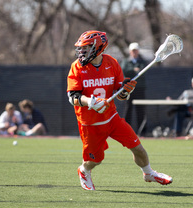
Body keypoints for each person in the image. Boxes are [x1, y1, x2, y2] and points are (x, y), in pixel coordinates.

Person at [67, 30, 172, 191]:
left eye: (86, 48)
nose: (82, 52)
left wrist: (125, 91)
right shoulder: (77, 67)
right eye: (81, 48)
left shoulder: (112, 63)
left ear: (99, 48)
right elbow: (73, 97)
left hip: (112, 118)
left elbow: (120, 95)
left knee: (138, 148)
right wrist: (90, 102)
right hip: (90, 123)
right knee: (95, 161)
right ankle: (84, 170)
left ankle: (148, 173)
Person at [121, 42, 147, 135]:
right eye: (133, 51)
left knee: (140, 109)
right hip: (128, 89)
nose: (134, 52)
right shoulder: (126, 61)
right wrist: (134, 70)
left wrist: (133, 71)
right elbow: (125, 70)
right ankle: (126, 130)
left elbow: (143, 71)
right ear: (130, 51)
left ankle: (142, 131)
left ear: (138, 51)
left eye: (136, 50)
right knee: (128, 109)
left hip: (139, 88)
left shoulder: (142, 61)